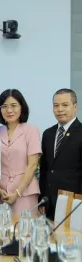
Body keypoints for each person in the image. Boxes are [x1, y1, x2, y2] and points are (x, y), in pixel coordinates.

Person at [0, 89, 41, 214]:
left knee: (24, 231)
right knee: (2, 231)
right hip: (2, 193)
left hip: (25, 192)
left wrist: (17, 192)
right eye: (4, 106)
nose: (9, 110)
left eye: (13, 106)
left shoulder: (31, 131)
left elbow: (32, 165)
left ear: (21, 107)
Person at [39, 88, 82, 220]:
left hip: (74, 202)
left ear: (75, 107)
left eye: (65, 105)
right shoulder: (48, 134)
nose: (59, 109)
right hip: (50, 201)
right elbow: (45, 169)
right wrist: (43, 197)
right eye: (56, 105)